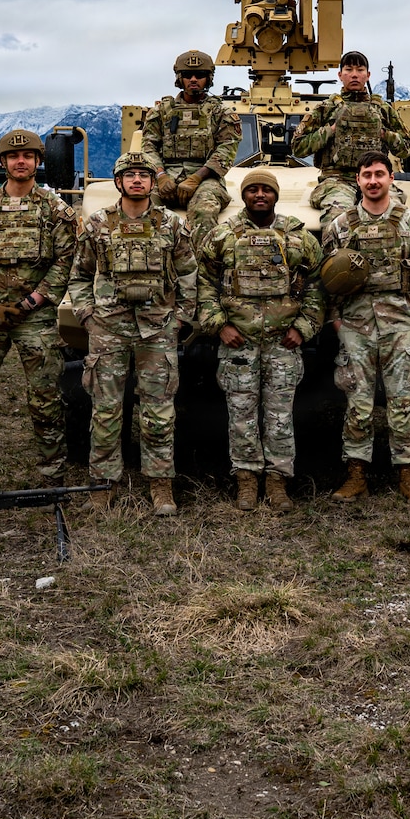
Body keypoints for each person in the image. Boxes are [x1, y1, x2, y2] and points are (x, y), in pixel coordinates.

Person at [66, 150, 198, 516]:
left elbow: (188, 272)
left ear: (153, 182)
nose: (137, 179)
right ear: (119, 181)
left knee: (158, 412)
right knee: (106, 411)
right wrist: (87, 314)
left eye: (144, 174)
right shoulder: (97, 224)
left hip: (157, 329)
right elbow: (79, 274)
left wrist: (183, 316)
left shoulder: (171, 224)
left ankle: (160, 484)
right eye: (130, 174)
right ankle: (103, 483)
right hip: (108, 328)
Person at [0, 128, 78, 487]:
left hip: (34, 317)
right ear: (3, 161)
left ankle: (53, 475)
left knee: (46, 396)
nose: (19, 161)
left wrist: (32, 301)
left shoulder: (56, 210)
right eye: (12, 156)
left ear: (38, 161)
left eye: (27, 157)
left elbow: (65, 260)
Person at [198, 169, 325, 512]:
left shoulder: (298, 237)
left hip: (282, 343)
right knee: (241, 414)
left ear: (275, 195)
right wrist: (218, 325)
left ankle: (278, 480)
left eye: (265, 190)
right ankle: (246, 478)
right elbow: (203, 285)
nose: (259, 195)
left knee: (280, 415)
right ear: (243, 195)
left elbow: (316, 286)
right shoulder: (222, 236)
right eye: (252, 189)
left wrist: (304, 327)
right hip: (238, 343)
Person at [320, 150, 410, 505]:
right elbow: (326, 280)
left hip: (399, 322)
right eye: (366, 175)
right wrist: (337, 321)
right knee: (358, 402)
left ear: (390, 179)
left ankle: (409, 476)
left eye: (379, 174)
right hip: (355, 324)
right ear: (357, 181)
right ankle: (356, 475)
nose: (373, 180)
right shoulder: (340, 227)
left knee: (403, 401)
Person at [289, 51, 410, 213]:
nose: (354, 75)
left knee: (393, 214)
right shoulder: (326, 109)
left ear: (367, 75)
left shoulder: (383, 109)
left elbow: (408, 147)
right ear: (340, 75)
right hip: (336, 181)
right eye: (349, 70)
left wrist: (384, 134)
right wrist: (330, 130)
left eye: (360, 70)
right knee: (337, 215)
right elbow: (298, 148)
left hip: (374, 178)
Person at [142, 50, 243, 244]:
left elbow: (227, 148)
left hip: (207, 179)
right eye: (188, 75)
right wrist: (160, 176)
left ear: (209, 78)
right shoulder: (161, 112)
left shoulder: (221, 113)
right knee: (140, 205)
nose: (194, 79)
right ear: (180, 78)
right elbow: (149, 146)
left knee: (204, 211)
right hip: (166, 176)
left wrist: (198, 177)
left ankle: (202, 266)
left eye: (200, 75)